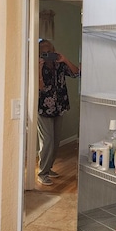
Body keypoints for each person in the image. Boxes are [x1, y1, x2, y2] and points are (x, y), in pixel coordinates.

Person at [36, 39, 80, 186]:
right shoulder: (37, 65)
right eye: (44, 52)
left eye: (50, 51)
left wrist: (65, 59)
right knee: (47, 140)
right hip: (43, 108)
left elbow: (76, 73)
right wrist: (39, 70)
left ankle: (48, 168)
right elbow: (40, 88)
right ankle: (42, 172)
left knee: (55, 141)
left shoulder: (60, 64)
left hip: (59, 106)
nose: (47, 54)